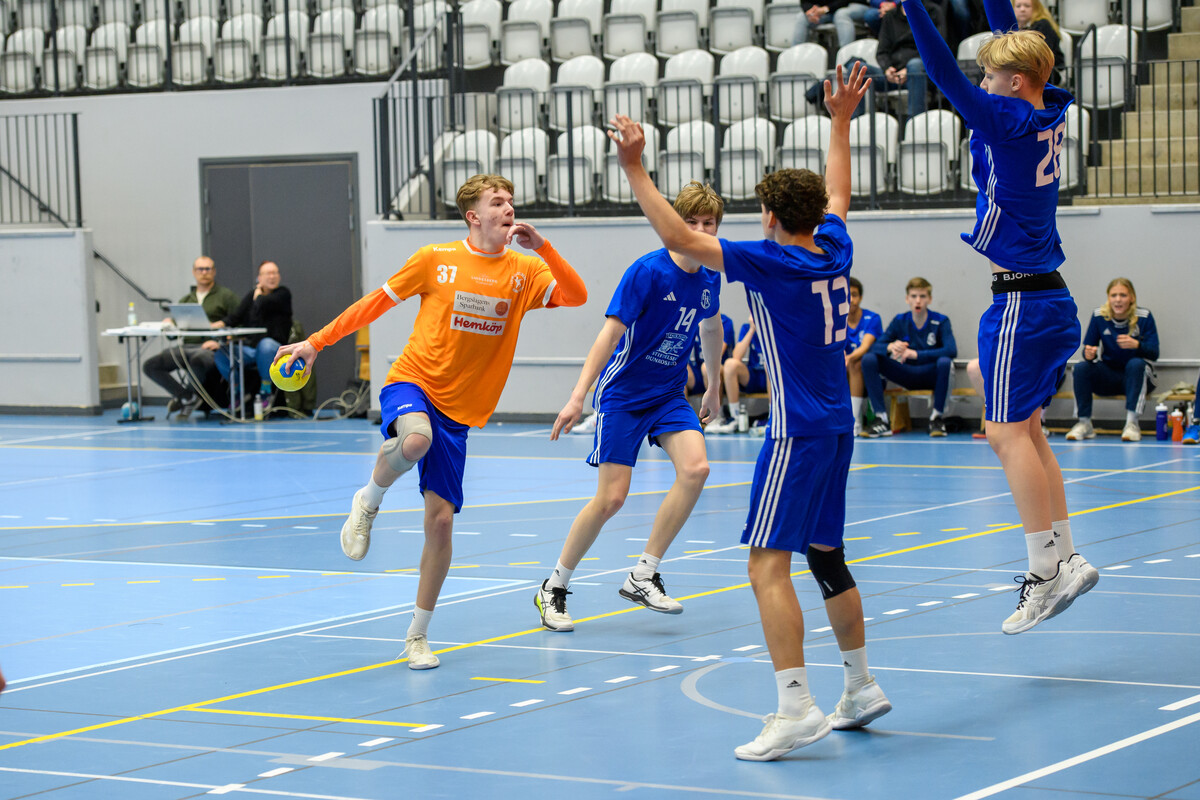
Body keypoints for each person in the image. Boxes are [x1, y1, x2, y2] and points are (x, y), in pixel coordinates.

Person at [609, 61, 893, 763]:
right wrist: (840, 121)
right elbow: (840, 193)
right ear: (814, 217)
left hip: (796, 434)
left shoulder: (773, 261)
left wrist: (636, 167)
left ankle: (796, 708)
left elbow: (680, 239)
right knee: (826, 556)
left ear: (769, 219)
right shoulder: (834, 245)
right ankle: (860, 686)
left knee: (766, 566)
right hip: (839, 428)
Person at [276, 175, 586, 670]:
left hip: (460, 413)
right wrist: (316, 342)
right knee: (416, 438)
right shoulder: (433, 259)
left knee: (440, 525)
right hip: (413, 382)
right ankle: (368, 501)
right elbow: (374, 304)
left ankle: (417, 635)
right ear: (474, 216)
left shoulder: (525, 269)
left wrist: (544, 248)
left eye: (511, 202)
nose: (509, 208)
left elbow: (576, 296)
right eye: (498, 202)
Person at [904, 0, 1099, 634]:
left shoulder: (1006, 118)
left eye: (990, 77)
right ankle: (1065, 556)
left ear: (1013, 83)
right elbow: (1008, 38)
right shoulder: (1045, 106)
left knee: (1003, 433)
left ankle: (1044, 569)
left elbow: (943, 71)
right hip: (1048, 298)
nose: (981, 84)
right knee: (1030, 432)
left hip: (1020, 304)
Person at [535, 181, 727, 632]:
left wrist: (714, 386)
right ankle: (553, 588)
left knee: (696, 469)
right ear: (676, 224)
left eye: (709, 223)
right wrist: (578, 395)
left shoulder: (711, 274)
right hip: (624, 395)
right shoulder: (648, 271)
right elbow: (608, 336)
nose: (700, 230)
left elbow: (712, 329)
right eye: (691, 222)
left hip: (669, 394)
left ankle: (644, 574)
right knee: (611, 499)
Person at [142, 256, 239, 418]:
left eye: (207, 269)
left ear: (214, 272)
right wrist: (169, 325)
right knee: (150, 365)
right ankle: (187, 397)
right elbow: (173, 335)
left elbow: (238, 322)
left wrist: (221, 341)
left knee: (197, 359)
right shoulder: (186, 300)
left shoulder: (226, 296)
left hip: (210, 348)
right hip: (186, 347)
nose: (204, 273)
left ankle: (189, 398)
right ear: (194, 272)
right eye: (200, 269)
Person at [860, 277, 957, 437]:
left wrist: (916, 354)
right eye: (913, 296)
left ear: (929, 299)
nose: (918, 301)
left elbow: (951, 350)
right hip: (905, 372)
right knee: (869, 359)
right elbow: (875, 347)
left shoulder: (941, 321)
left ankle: (937, 418)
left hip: (929, 374)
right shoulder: (900, 320)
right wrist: (890, 346)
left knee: (945, 362)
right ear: (907, 299)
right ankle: (881, 419)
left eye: (922, 296)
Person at [1065, 278, 1159, 442]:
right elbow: (1089, 349)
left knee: (1136, 364)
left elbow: (1154, 353)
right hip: (1109, 375)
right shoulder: (1099, 316)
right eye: (1114, 295)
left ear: (1131, 298)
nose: (1118, 300)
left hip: (1136, 377)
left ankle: (1132, 424)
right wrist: (1089, 354)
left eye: (1123, 295)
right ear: (1108, 298)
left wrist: (1137, 345)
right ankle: (1084, 423)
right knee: (1081, 368)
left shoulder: (1144, 316)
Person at [213, 260, 293, 403]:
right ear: (259, 278)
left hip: (275, 349)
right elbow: (236, 317)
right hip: (252, 349)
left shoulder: (283, 294)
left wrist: (258, 295)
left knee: (265, 345)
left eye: (275, 273)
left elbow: (264, 302)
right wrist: (217, 325)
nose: (272, 277)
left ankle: (266, 390)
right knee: (221, 353)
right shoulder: (252, 295)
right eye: (268, 273)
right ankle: (238, 390)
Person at [706, 318, 769, 434]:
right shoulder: (747, 328)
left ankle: (773, 416)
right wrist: (752, 329)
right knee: (731, 364)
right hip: (754, 376)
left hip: (772, 377)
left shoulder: (775, 325)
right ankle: (735, 417)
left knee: (768, 364)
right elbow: (737, 356)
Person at [845, 277, 883, 436]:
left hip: (869, 374)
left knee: (855, 363)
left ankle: (855, 421)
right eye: (847, 295)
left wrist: (848, 358)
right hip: (843, 370)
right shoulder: (836, 320)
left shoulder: (872, 318)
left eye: (854, 295)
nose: (851, 300)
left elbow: (865, 347)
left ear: (860, 298)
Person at [1013, 0, 1064, 84]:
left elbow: (1038, 54)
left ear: (1036, 8)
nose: (1022, 9)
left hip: (1046, 72)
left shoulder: (1043, 25)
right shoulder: (1014, 28)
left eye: (1027, 6)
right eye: (1018, 6)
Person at [686, 312, 735, 396]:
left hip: (719, 368)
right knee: (678, 368)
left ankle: (716, 405)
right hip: (698, 371)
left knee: (706, 367)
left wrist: (705, 329)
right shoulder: (693, 321)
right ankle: (682, 405)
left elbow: (716, 354)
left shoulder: (725, 321)